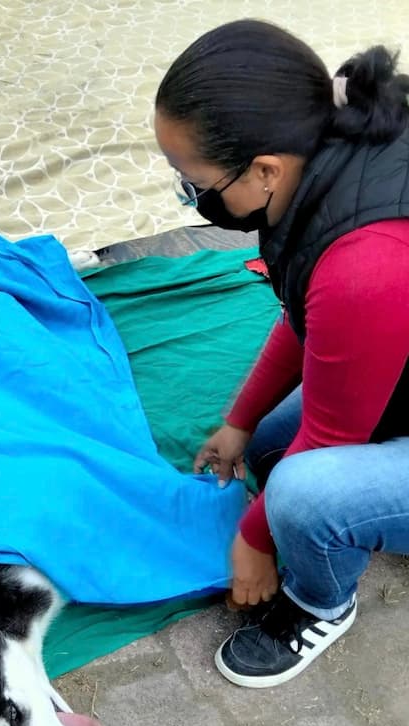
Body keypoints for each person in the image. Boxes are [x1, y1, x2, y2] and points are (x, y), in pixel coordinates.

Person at [154, 19, 409, 687]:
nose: (194, 197)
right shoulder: (333, 157)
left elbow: (331, 435)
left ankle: (321, 602)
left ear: (265, 169)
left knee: (299, 493)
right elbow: (308, 312)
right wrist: (239, 420)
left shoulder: (367, 260)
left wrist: (256, 542)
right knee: (265, 444)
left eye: (196, 181)